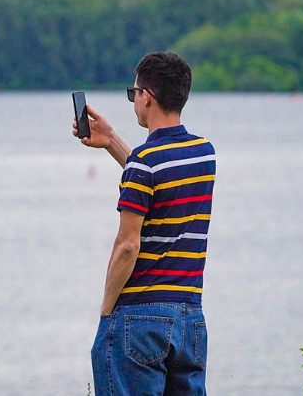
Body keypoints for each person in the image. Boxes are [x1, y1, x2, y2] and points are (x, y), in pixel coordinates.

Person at [74, 51, 216, 395]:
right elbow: (160, 183)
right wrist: (111, 142)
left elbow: (127, 245)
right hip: (189, 320)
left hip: (139, 319)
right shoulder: (204, 153)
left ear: (146, 97)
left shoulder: (144, 164)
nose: (133, 100)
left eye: (133, 93)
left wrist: (107, 314)